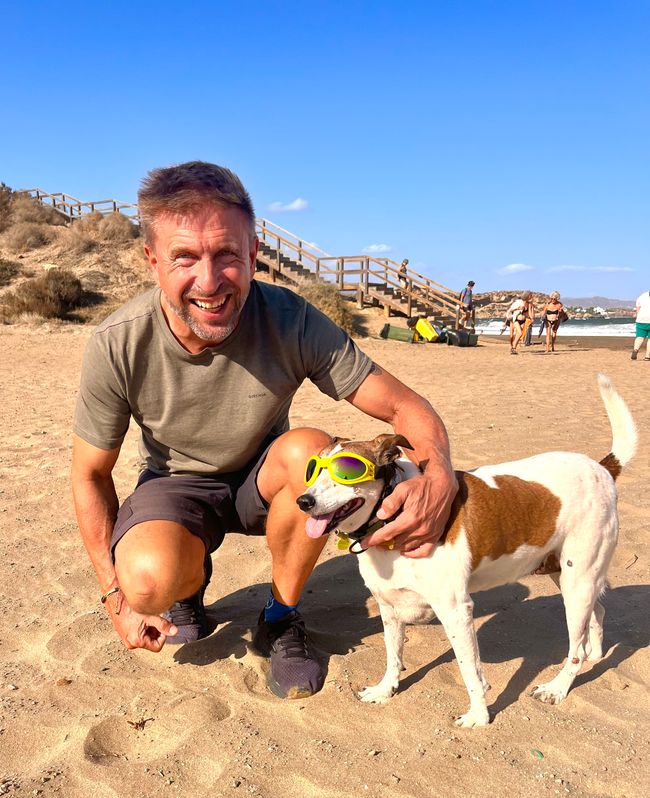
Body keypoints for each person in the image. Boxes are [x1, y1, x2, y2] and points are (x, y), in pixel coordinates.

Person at [70, 161, 458, 702]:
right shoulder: (119, 342)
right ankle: (188, 575)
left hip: (264, 477)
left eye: (227, 254)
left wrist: (440, 477)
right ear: (152, 259)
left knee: (309, 449)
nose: (209, 282)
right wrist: (116, 599)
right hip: (175, 483)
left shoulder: (290, 319)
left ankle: (279, 617)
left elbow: (405, 406)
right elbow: (89, 474)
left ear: (253, 253)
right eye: (184, 256)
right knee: (148, 581)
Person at [630, 289, 650, 361]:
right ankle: (647, 356)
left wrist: (638, 318)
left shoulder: (642, 296)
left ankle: (635, 350)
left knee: (640, 337)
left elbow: (638, 308)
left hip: (641, 319)